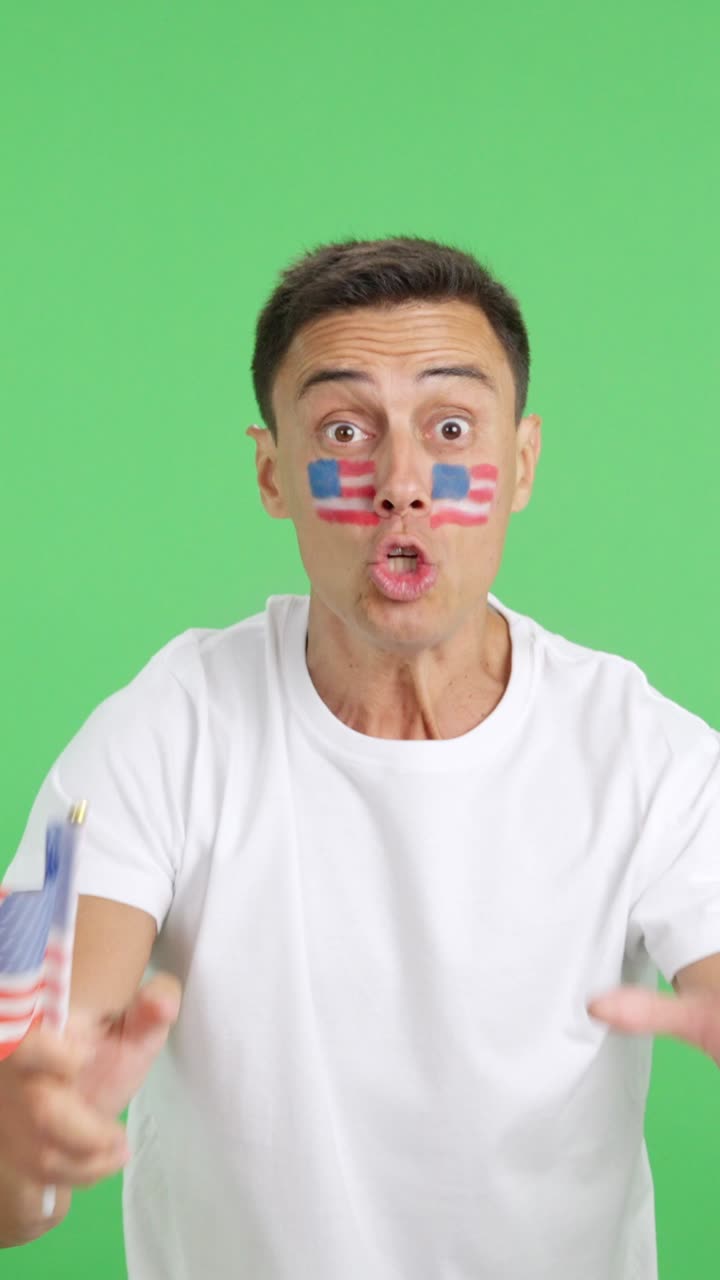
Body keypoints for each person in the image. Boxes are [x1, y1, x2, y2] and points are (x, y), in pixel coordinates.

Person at [1, 236, 719, 1279]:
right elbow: (35, 1053)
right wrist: (21, 1148)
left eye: (452, 428)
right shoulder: (160, 731)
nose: (400, 483)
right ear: (272, 473)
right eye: (345, 429)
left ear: (519, 465)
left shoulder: (649, 751)